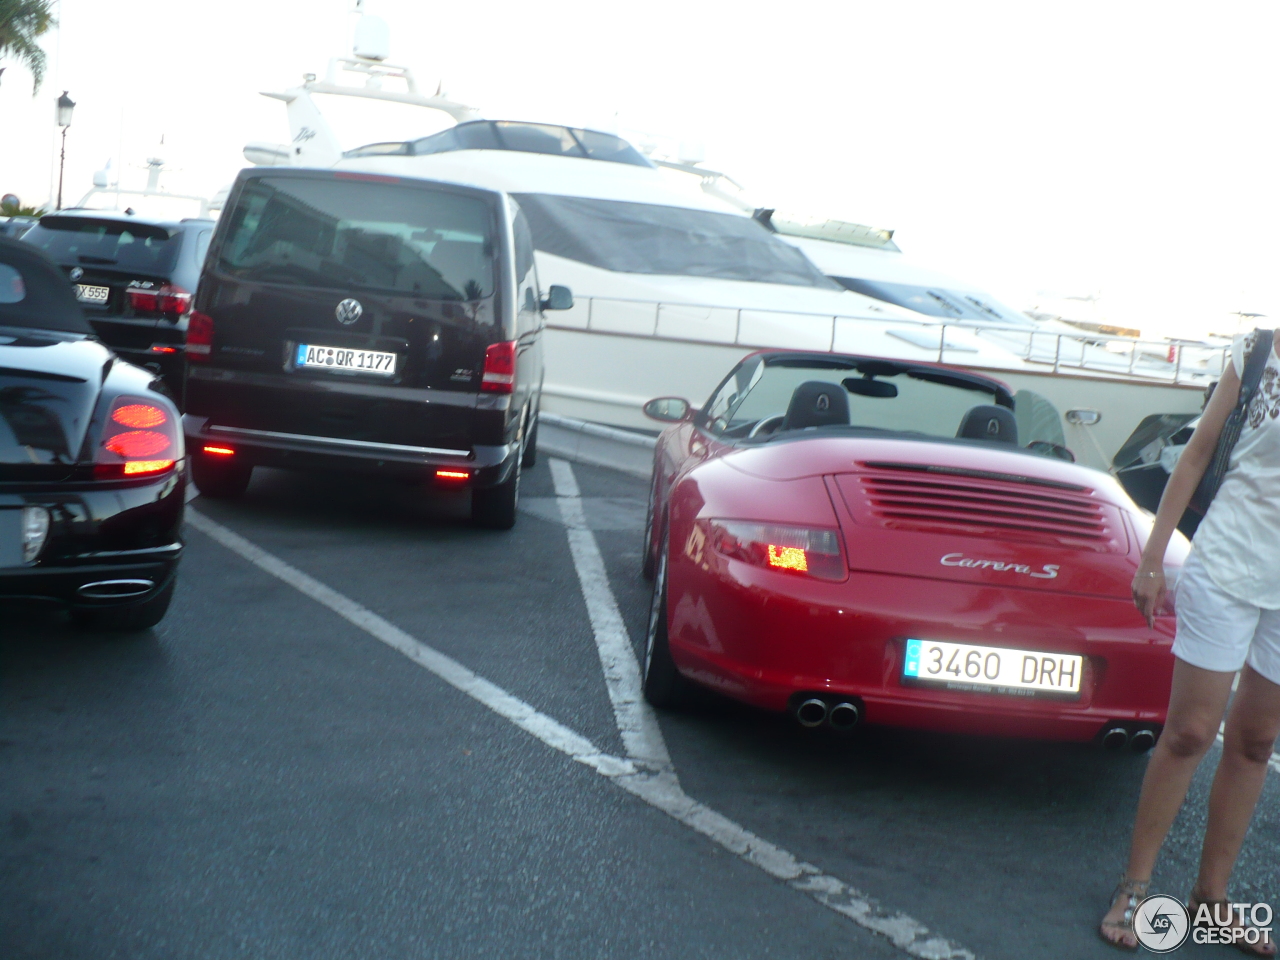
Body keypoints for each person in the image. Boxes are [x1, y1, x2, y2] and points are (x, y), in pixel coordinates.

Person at [1099, 329, 1280, 954]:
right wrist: (1152, 558)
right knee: (1190, 732)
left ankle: (1212, 898)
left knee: (1256, 741)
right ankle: (1137, 886)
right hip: (1227, 563)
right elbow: (1199, 452)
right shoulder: (1257, 353)